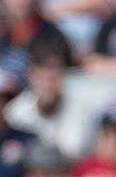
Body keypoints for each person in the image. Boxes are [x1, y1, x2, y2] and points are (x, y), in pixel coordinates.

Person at [6, 30, 107, 161]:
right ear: (31, 74)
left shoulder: (82, 109)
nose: (48, 80)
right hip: (32, 176)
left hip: (70, 175)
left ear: (63, 73)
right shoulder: (15, 112)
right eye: (42, 72)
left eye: (54, 72)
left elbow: (77, 151)